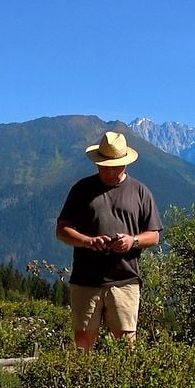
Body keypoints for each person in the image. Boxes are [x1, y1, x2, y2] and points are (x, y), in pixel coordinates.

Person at [56, 131, 162, 350]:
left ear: (125, 164)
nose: (109, 171)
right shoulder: (81, 189)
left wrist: (131, 241)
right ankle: (82, 383)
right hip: (85, 279)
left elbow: (154, 235)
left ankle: (124, 384)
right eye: (105, 166)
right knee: (82, 343)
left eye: (114, 166)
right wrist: (87, 241)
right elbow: (62, 230)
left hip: (125, 279)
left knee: (126, 344)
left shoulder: (140, 192)